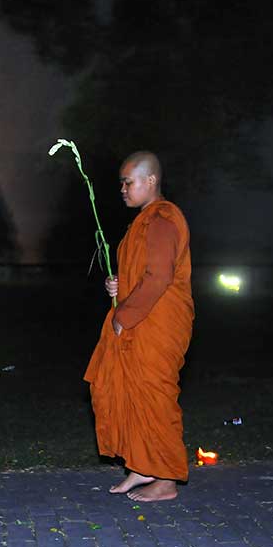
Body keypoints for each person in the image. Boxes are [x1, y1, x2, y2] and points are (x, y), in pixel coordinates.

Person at [84, 151, 195, 502]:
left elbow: (160, 277)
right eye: (121, 182)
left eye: (128, 182)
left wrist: (123, 316)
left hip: (156, 322)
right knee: (132, 394)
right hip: (140, 316)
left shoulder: (162, 218)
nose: (122, 189)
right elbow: (141, 273)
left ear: (150, 181)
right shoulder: (142, 221)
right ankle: (143, 466)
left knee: (155, 397)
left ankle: (165, 479)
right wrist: (119, 288)